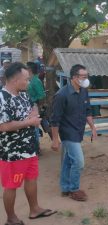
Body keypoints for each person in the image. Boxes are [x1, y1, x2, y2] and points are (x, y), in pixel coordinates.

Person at [0, 62, 57, 225]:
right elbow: (2, 126)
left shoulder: (23, 94)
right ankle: (11, 219)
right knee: (11, 185)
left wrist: (34, 113)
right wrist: (29, 122)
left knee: (32, 178)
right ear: (15, 80)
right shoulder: (2, 98)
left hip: (29, 148)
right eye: (26, 79)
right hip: (12, 153)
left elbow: (31, 109)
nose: (29, 82)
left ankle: (35, 209)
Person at [50, 64, 97, 201]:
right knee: (79, 162)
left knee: (68, 161)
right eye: (84, 77)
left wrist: (93, 128)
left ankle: (65, 188)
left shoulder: (83, 91)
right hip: (68, 133)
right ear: (75, 78)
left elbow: (88, 111)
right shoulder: (61, 95)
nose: (86, 79)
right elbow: (55, 119)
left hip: (78, 131)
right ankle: (74, 189)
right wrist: (54, 140)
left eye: (87, 76)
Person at [26, 61, 46, 155]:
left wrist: (35, 103)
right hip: (29, 107)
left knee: (35, 130)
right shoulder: (30, 80)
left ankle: (36, 150)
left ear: (29, 70)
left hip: (34, 107)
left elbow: (41, 96)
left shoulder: (35, 81)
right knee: (32, 129)